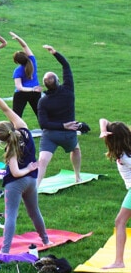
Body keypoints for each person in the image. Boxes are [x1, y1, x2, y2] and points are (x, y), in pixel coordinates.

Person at [0, 82, 48, 257]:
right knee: (34, 212)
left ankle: (4, 250)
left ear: (1, 139)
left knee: (10, 216)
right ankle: (46, 240)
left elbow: (15, 173)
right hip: (31, 182)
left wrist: (27, 168)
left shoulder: (10, 149)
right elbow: (6, 110)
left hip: (16, 183)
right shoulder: (25, 130)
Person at [36, 44, 81, 187]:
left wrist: (61, 125)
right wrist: (54, 52)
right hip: (68, 133)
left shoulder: (42, 101)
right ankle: (77, 176)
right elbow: (66, 66)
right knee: (76, 149)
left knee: (42, 161)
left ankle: (35, 186)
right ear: (58, 81)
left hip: (51, 135)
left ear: (45, 85)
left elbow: (43, 124)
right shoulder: (68, 90)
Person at [98, 118, 131, 269]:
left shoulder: (125, 157)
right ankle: (119, 261)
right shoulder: (125, 151)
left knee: (120, 221)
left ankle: (119, 262)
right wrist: (103, 130)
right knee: (120, 222)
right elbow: (102, 119)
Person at [9, 32, 41, 119]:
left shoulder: (17, 71)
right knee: (41, 115)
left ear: (17, 61)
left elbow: (19, 87)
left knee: (16, 117)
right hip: (36, 93)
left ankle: (15, 132)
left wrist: (31, 89)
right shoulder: (32, 61)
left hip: (21, 94)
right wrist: (17, 37)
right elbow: (25, 46)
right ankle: (49, 130)